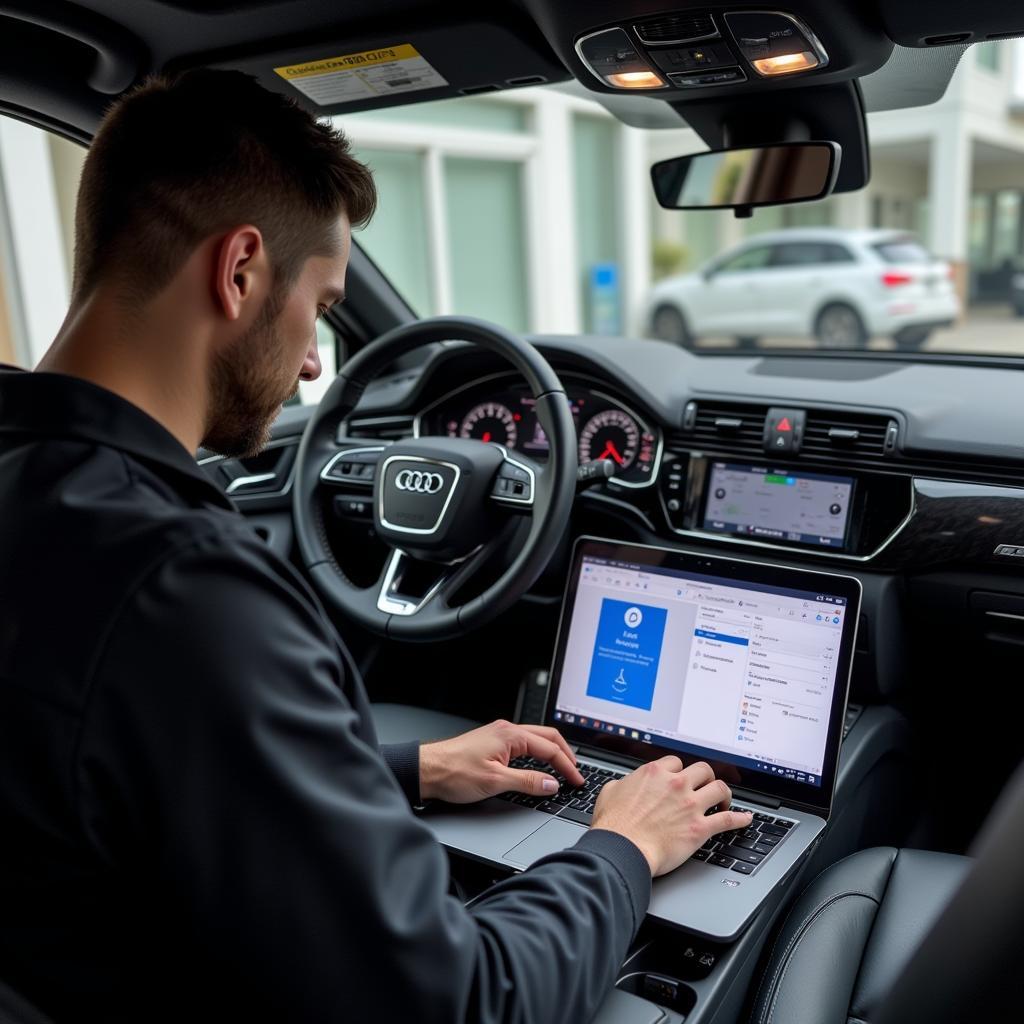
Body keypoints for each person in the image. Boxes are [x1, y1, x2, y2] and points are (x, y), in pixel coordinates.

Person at [0, 69, 750, 1023]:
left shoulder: (50, 502)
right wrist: (622, 847)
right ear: (239, 271)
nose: (317, 360)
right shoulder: (188, 592)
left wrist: (413, 770)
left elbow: (134, 770)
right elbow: (463, 1002)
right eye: (320, 305)